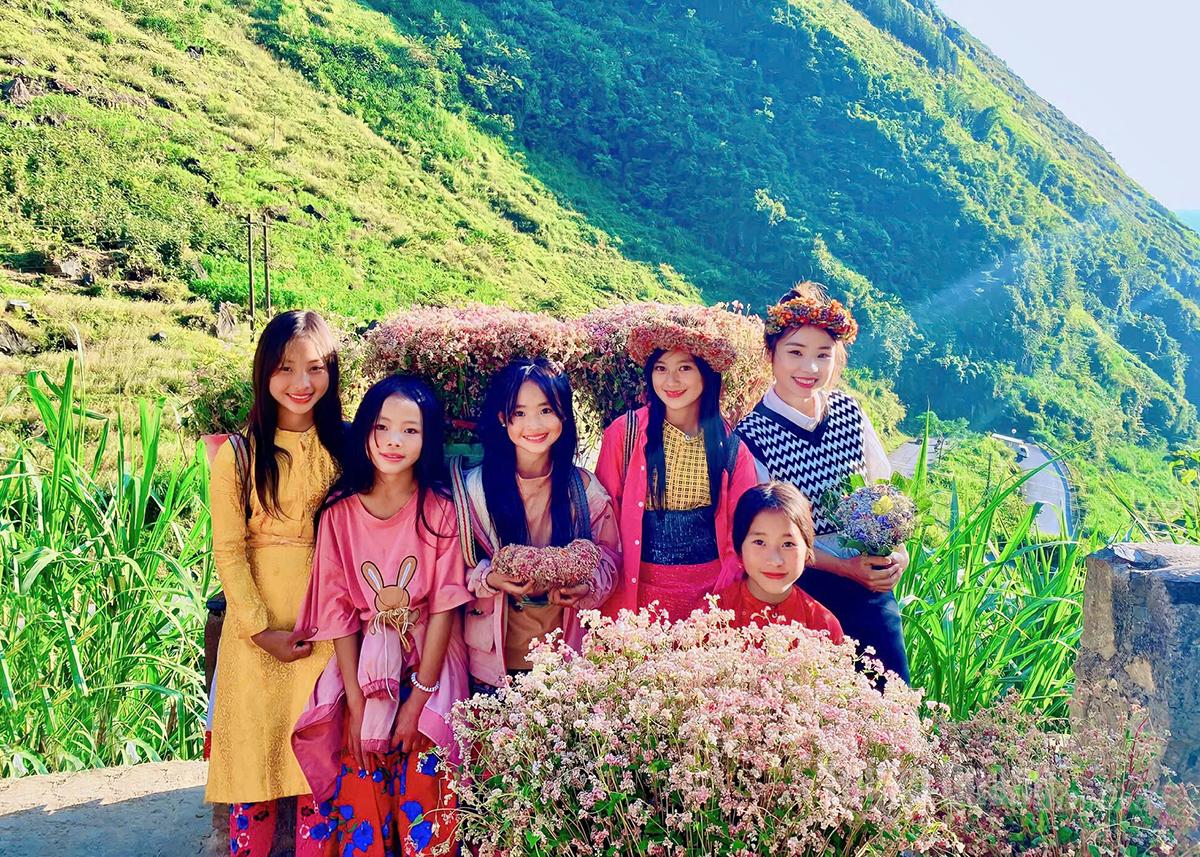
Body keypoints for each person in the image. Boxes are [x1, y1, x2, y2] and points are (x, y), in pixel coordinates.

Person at [291, 375, 470, 855]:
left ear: (428, 438)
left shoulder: (440, 510)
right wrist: (355, 703)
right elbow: (340, 615)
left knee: (425, 779)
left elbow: (445, 607)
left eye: (410, 430)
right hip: (366, 665)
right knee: (360, 774)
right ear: (365, 430)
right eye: (382, 427)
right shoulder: (339, 513)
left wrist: (418, 700)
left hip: (430, 661)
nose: (394, 441)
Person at [205, 310, 344, 856]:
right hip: (254, 638)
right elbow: (229, 551)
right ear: (264, 371)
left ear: (332, 371)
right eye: (285, 368)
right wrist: (261, 630)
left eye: (315, 367)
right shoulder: (238, 455)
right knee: (252, 776)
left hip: (327, 634)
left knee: (318, 774)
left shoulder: (347, 449)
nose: (301, 382)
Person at [734, 282, 910, 681]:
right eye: (795, 353)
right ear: (772, 354)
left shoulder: (849, 412)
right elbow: (761, 534)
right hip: (799, 585)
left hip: (869, 587)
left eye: (823, 355)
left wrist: (898, 554)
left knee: (890, 694)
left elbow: (884, 493)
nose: (809, 369)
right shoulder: (752, 435)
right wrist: (845, 568)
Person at [458, 358, 620, 690]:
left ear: (563, 415)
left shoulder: (584, 490)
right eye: (519, 413)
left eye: (546, 410)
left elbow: (611, 557)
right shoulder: (473, 491)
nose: (533, 424)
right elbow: (450, 569)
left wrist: (588, 587)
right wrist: (489, 578)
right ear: (503, 418)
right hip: (491, 667)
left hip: (565, 665)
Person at [595, 318, 758, 619]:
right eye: (661, 368)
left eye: (684, 368)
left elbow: (745, 528)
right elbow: (603, 517)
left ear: (707, 374)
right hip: (637, 592)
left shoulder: (731, 449)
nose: (670, 381)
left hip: (709, 597)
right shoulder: (624, 434)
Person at [713, 482, 842, 641]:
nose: (775, 561)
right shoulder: (712, 618)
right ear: (740, 549)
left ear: (807, 551)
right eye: (760, 542)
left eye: (788, 544)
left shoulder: (824, 626)